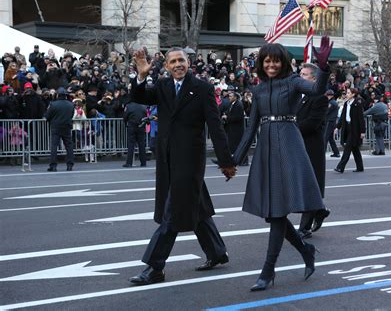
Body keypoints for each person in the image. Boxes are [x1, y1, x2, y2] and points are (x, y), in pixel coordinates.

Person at [231, 36, 333, 291]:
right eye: (267, 60)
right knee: (273, 214)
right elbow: (251, 126)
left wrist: (323, 69)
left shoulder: (293, 81)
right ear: (261, 63)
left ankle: (268, 270)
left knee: (277, 213)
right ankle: (305, 249)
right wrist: (233, 160)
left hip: (288, 144)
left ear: (283, 63)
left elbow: (317, 90)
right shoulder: (259, 89)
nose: (271, 65)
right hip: (266, 147)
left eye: (276, 60)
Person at [128, 47, 236, 285]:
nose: (177, 64)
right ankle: (217, 252)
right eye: (173, 61)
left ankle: (155, 266)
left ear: (189, 63)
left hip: (190, 160)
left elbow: (215, 127)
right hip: (167, 159)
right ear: (166, 66)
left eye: (181, 60)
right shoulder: (163, 87)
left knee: (173, 213)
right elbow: (137, 97)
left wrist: (226, 161)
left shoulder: (203, 88)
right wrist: (142, 75)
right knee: (196, 207)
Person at [296, 63, 331, 239]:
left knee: (310, 186)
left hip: (311, 148)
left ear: (314, 79)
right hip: (298, 146)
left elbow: (312, 123)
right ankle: (320, 210)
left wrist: (289, 127)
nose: (300, 77)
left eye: (304, 74)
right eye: (300, 73)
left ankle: (304, 227)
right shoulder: (300, 97)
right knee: (302, 186)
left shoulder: (319, 98)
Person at [334, 88, 366, 173]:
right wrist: (337, 127)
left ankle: (340, 167)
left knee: (347, 147)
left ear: (353, 94)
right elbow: (342, 117)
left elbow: (361, 119)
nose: (346, 94)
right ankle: (360, 167)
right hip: (347, 127)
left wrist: (363, 131)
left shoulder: (357, 104)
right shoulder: (346, 104)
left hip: (354, 129)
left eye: (348, 93)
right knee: (355, 148)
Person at [44, 87, 74, 171]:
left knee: (54, 146)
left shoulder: (53, 104)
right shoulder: (70, 104)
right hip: (67, 126)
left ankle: (53, 166)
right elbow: (71, 115)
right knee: (69, 146)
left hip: (56, 127)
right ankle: (70, 165)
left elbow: (48, 116)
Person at [122, 101, 147, 167]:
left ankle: (129, 163)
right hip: (141, 126)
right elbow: (146, 116)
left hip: (132, 126)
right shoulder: (143, 106)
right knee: (141, 145)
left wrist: (126, 123)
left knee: (131, 145)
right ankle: (143, 162)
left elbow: (125, 116)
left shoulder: (129, 106)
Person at [324, 89, 340, 158]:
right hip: (332, 121)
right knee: (330, 138)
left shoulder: (331, 103)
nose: (327, 96)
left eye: (327, 95)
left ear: (330, 96)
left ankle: (322, 153)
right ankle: (336, 152)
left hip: (329, 121)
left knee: (325, 138)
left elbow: (326, 112)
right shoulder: (333, 102)